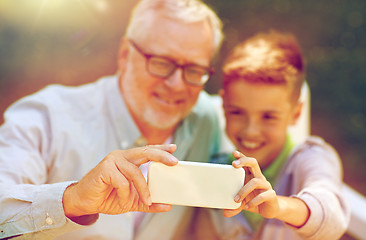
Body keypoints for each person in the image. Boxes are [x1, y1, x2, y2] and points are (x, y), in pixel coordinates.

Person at [0, 0, 239, 239]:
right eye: (161, 63)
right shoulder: (46, 117)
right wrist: (74, 199)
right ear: (125, 54)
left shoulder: (220, 120)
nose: (177, 85)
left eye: (194, 70)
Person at [218, 30, 350, 239]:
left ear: (296, 113)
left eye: (268, 117)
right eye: (236, 112)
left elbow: (333, 217)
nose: (251, 130)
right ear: (223, 104)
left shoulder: (312, 157)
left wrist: (278, 206)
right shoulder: (215, 168)